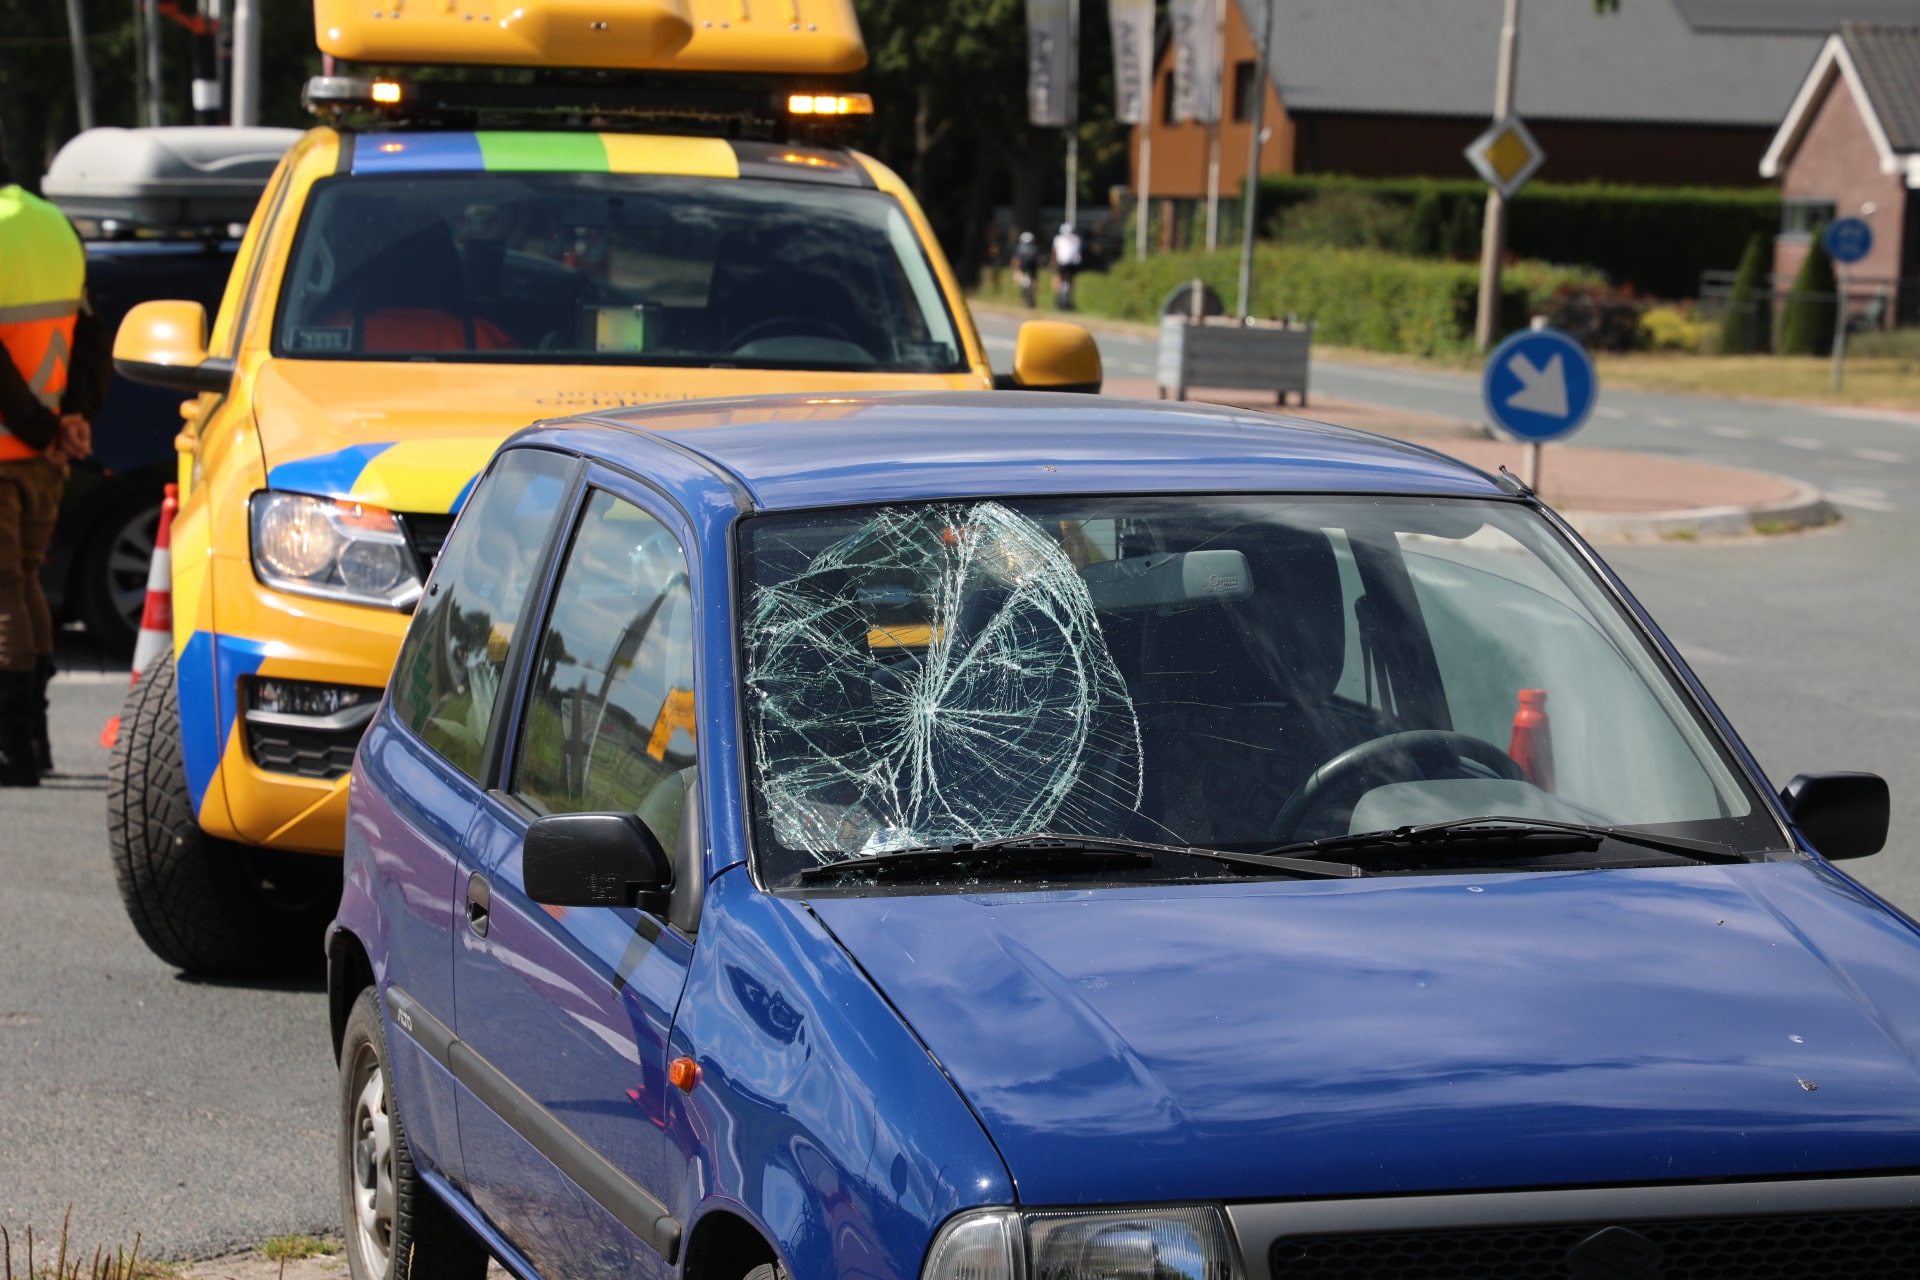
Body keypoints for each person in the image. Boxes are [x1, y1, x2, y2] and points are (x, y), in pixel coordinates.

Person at [0, 149, 109, 785]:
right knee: (26, 587)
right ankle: (33, 742)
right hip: (45, 457)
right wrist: (73, 419)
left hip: (17, 445)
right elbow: (92, 332)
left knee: (6, 592)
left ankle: (13, 748)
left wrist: (45, 427)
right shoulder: (52, 224)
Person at [1051, 221, 1083, 311]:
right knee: (1071, 280)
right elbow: (1078, 253)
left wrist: (1053, 263)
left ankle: (1056, 297)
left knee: (1057, 277)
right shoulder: (1077, 239)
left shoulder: (1058, 239)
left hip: (1061, 263)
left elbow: (1054, 252)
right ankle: (1070, 297)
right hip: (1072, 264)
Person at [1011, 231, 1042, 309]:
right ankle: (1032, 297)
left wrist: (1016, 270)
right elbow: (1039, 260)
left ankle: (1025, 293)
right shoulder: (1035, 247)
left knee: (1021, 278)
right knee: (1033, 282)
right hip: (1032, 267)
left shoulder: (1019, 247)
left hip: (1023, 266)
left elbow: (1016, 259)